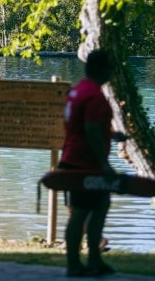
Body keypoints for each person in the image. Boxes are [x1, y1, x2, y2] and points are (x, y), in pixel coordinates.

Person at [59, 49, 115, 277]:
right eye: (111, 67)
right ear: (102, 69)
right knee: (82, 212)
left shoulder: (78, 90)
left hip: (72, 157)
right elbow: (91, 129)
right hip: (86, 163)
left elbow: (79, 126)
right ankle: (75, 263)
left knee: (98, 207)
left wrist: (111, 137)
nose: (112, 71)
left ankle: (92, 259)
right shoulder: (94, 95)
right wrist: (104, 163)